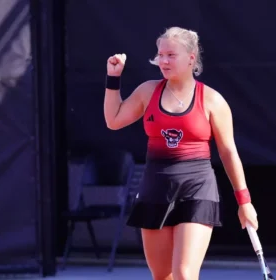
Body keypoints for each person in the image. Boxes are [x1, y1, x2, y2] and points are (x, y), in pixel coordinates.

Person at [103, 26, 259, 280]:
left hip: (197, 189)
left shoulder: (212, 100)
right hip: (155, 188)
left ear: (191, 57)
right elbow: (113, 120)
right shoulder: (147, 91)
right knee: (163, 276)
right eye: (160, 54)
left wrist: (245, 202)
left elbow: (229, 152)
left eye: (170, 55)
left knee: (185, 274)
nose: (163, 61)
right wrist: (113, 78)